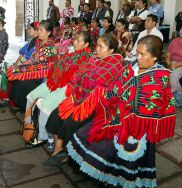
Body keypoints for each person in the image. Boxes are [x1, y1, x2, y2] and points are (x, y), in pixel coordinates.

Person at [66, 35, 176, 188]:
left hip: (137, 127)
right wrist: (108, 98)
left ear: (155, 57)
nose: (138, 57)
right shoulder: (132, 67)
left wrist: (123, 110)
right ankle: (104, 174)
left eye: (142, 54)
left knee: (110, 147)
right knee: (85, 132)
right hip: (118, 116)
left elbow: (149, 109)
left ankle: (112, 176)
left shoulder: (159, 77)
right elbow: (117, 85)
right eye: (137, 52)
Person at [43, 34, 124, 166]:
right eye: (96, 45)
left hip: (97, 105)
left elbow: (96, 85)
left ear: (111, 51)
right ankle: (59, 151)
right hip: (79, 98)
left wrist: (82, 85)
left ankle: (66, 154)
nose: (96, 49)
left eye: (100, 46)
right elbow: (79, 75)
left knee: (70, 122)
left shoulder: (114, 66)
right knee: (56, 114)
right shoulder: (95, 59)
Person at [24, 31, 92, 148]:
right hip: (54, 82)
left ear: (86, 44)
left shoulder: (86, 59)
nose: (75, 42)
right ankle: (29, 126)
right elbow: (58, 65)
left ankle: (43, 137)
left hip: (66, 87)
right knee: (31, 96)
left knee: (45, 107)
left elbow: (75, 79)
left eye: (78, 41)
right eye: (75, 39)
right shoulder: (72, 52)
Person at [8, 20, 57, 111]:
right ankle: (19, 105)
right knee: (16, 75)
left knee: (22, 81)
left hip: (42, 75)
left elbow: (40, 63)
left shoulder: (50, 46)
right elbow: (30, 56)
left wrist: (24, 69)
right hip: (34, 69)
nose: (38, 32)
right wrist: (19, 65)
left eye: (41, 30)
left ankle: (27, 109)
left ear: (49, 32)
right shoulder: (37, 42)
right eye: (38, 29)